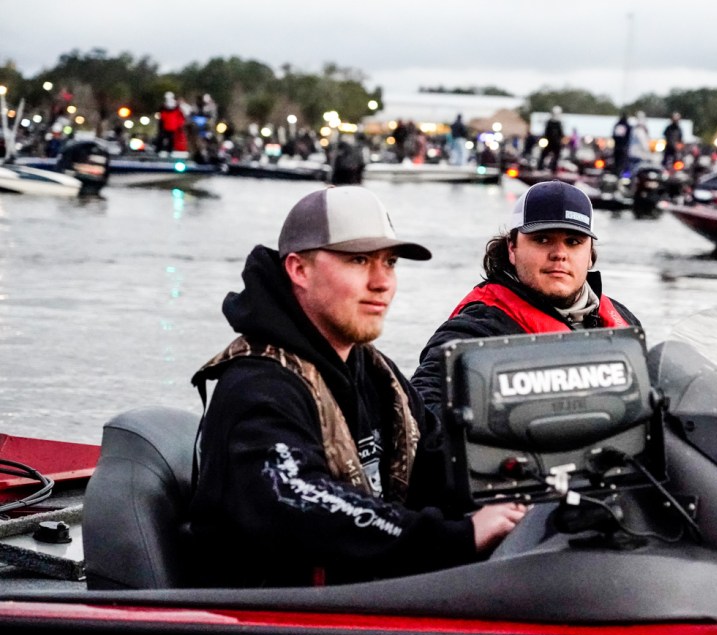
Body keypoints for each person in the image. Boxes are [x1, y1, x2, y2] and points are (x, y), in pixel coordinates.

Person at [189, 186, 526, 587]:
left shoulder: (376, 375)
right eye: (359, 260)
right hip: (271, 615)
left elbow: (441, 463)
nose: (382, 282)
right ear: (299, 270)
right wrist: (460, 537)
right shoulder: (256, 387)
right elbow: (300, 500)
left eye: (390, 262)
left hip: (363, 595)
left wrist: (529, 490)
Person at [411, 180, 642, 420]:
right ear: (512, 248)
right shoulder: (477, 331)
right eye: (542, 240)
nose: (559, 254)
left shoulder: (624, 321)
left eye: (573, 242)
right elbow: (419, 411)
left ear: (590, 254)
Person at [537, 105, 564, 172]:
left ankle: (553, 167)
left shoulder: (558, 123)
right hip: (549, 141)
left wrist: (560, 141)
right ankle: (540, 167)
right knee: (543, 154)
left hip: (556, 142)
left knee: (557, 155)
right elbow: (546, 132)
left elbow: (561, 133)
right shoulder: (549, 122)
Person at [611, 112, 631, 176]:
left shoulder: (617, 125)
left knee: (617, 162)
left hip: (617, 147)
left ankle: (617, 173)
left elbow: (613, 135)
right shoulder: (626, 125)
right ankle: (620, 174)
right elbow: (629, 136)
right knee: (622, 162)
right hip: (623, 147)